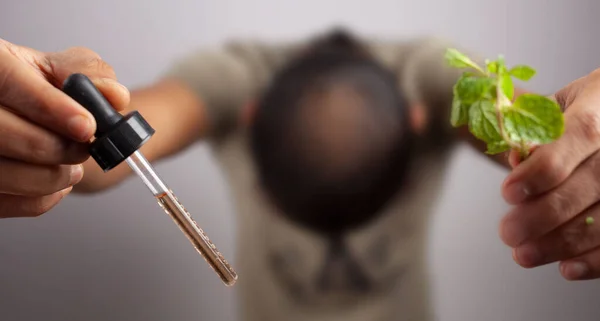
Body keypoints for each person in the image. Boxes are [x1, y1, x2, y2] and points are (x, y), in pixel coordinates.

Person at [1, 28, 600, 320]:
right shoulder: (232, 76)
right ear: (250, 120)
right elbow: (108, 162)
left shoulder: (435, 77)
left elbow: (539, 135)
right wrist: (55, 128)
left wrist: (578, 145)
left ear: (418, 124)